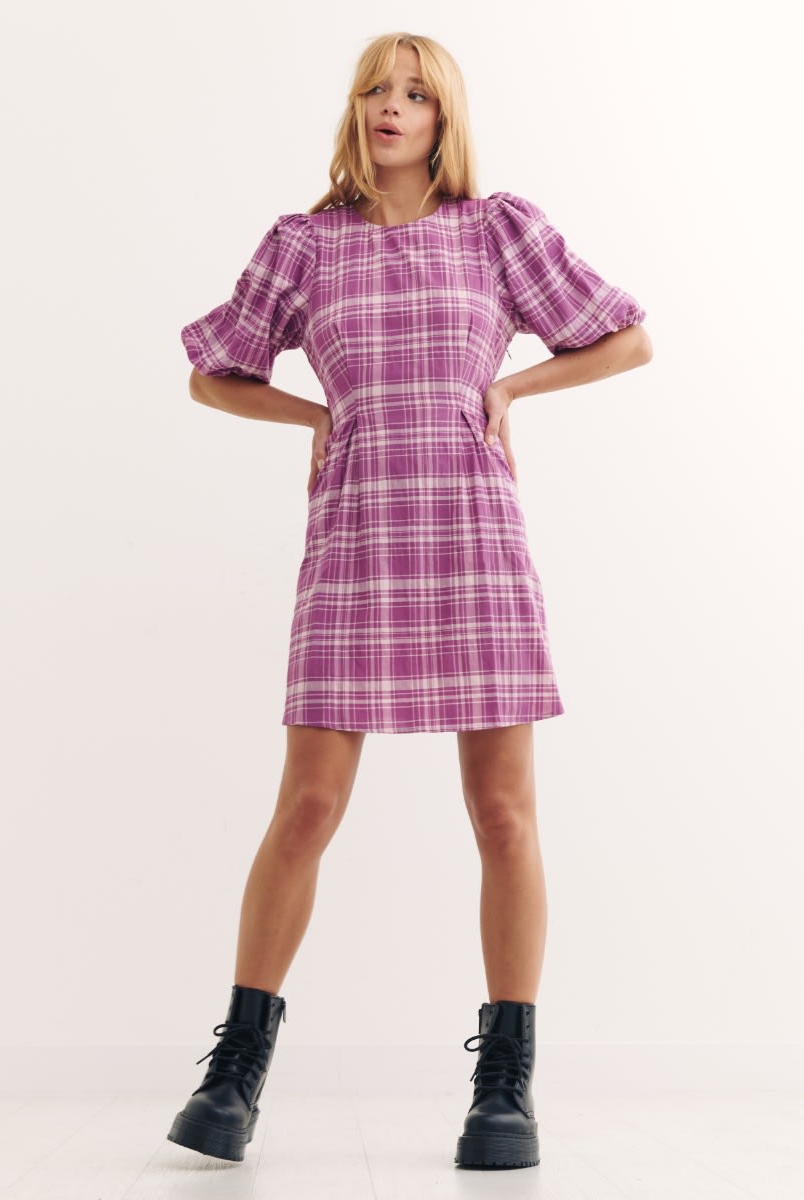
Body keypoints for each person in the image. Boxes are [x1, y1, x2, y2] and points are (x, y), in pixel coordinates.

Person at [168, 31, 652, 1171]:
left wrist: (511, 387)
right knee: (306, 807)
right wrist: (314, 414)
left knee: (503, 816)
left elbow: (625, 339)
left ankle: (504, 1090)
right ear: (355, 110)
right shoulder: (303, 245)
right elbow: (211, 372)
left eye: (416, 94)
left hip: (474, 542)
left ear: (444, 118)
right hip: (353, 542)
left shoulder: (495, 231)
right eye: (376, 91)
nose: (391, 107)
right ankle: (233, 1076)